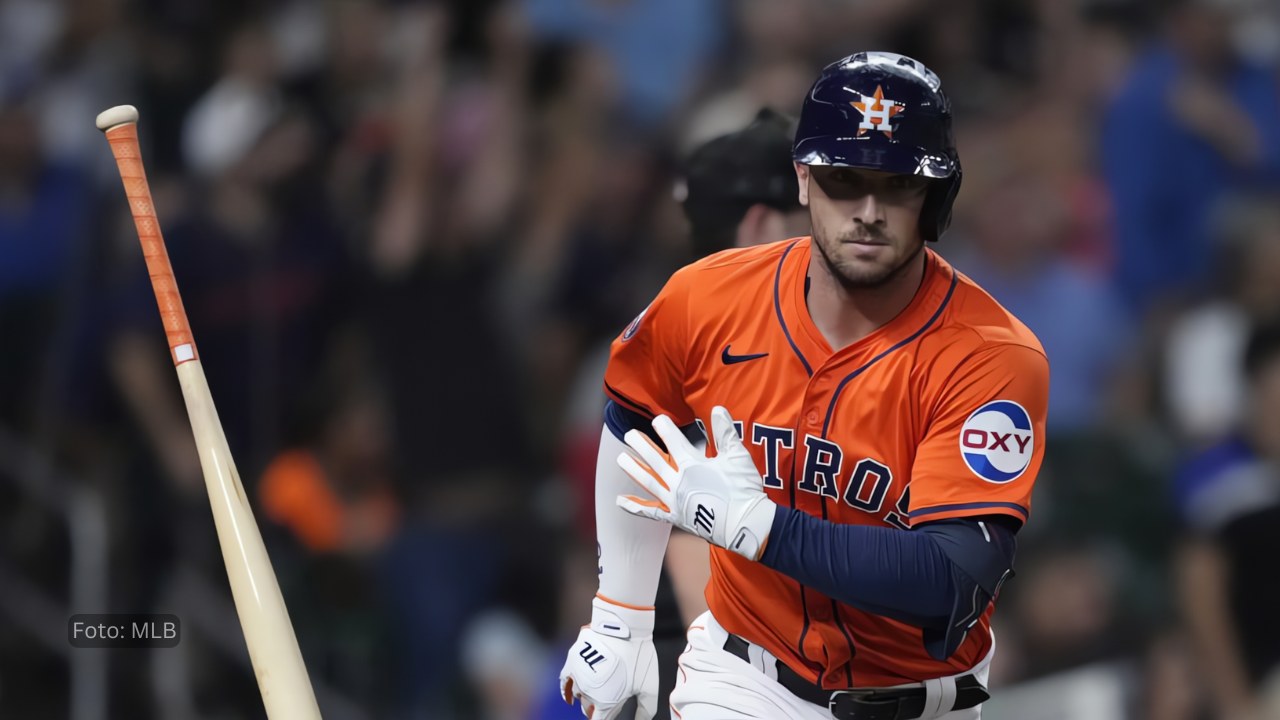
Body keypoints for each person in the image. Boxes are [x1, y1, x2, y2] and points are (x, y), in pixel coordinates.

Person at [557, 51, 1049, 720]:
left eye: (897, 184)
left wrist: (763, 529)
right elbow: (632, 417)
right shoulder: (709, 295)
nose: (869, 210)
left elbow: (952, 580)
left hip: (920, 702)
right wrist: (619, 618)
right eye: (844, 180)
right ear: (803, 180)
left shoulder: (989, 356)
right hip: (742, 677)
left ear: (935, 197)